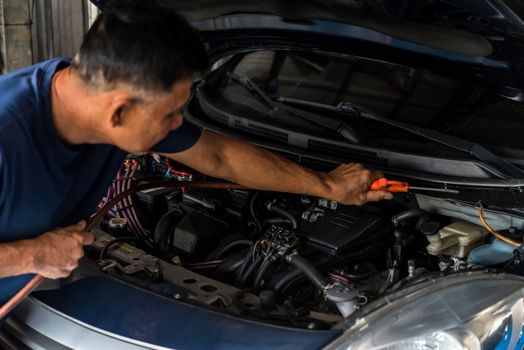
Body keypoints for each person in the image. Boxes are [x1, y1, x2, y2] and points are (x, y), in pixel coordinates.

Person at [0, 0, 391, 305]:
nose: (177, 125)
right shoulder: (7, 135)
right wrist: (34, 254)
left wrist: (327, 185)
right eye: (170, 114)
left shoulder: (96, 100)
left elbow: (218, 155)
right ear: (119, 111)